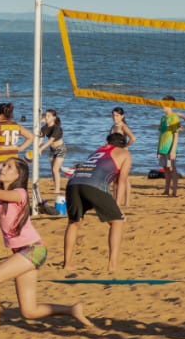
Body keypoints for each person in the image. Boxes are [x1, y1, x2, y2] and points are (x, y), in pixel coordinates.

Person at [0, 156, 93, 337]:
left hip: (32, 249)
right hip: (23, 252)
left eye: (8, 167)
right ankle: (72, 310)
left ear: (18, 175)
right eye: (4, 165)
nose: (3, 168)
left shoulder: (20, 193)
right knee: (29, 311)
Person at [63, 133, 132, 275]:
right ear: (123, 144)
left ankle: (67, 264)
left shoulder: (98, 151)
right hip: (93, 185)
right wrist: (117, 207)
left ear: (108, 142)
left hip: (73, 183)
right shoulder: (125, 153)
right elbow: (121, 181)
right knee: (117, 221)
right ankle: (112, 265)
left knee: (74, 222)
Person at [0, 102, 33, 179]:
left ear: (1, 115)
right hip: (13, 159)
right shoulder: (16, 126)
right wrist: (20, 148)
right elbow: (31, 136)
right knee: (10, 182)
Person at [108, 107, 136, 207]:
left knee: (124, 178)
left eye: (117, 115)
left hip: (122, 153)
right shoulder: (113, 127)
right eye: (113, 115)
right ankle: (115, 199)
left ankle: (127, 202)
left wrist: (126, 146)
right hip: (113, 153)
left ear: (122, 116)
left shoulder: (123, 126)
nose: (115, 117)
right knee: (116, 177)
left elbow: (133, 138)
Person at [36, 109, 67, 195]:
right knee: (53, 170)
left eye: (48, 116)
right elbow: (40, 140)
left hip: (61, 149)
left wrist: (41, 149)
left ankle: (57, 189)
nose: (46, 117)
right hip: (52, 150)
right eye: (45, 115)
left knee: (55, 169)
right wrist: (37, 147)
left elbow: (50, 141)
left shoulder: (56, 128)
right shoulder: (44, 128)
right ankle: (55, 185)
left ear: (54, 117)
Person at [156, 96, 181, 196]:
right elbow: (161, 135)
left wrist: (173, 150)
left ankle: (174, 191)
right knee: (165, 169)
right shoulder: (163, 118)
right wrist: (158, 150)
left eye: (165, 104)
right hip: (163, 147)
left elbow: (176, 134)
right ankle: (166, 189)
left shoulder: (174, 117)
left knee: (172, 168)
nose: (163, 106)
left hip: (170, 147)